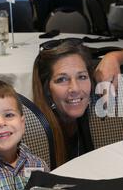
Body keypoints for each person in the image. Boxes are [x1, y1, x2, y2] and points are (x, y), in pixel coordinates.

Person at [32, 39, 93, 167]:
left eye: (82, 77)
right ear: (47, 89)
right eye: (62, 79)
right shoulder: (35, 138)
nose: (75, 88)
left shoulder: (97, 124)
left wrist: (115, 57)